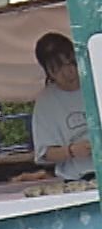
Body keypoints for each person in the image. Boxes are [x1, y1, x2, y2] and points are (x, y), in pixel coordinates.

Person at [32, 32, 94, 181]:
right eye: (57, 68)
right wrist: (71, 151)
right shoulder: (45, 102)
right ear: (48, 72)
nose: (68, 73)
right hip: (77, 178)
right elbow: (45, 153)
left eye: (71, 63)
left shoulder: (97, 81)